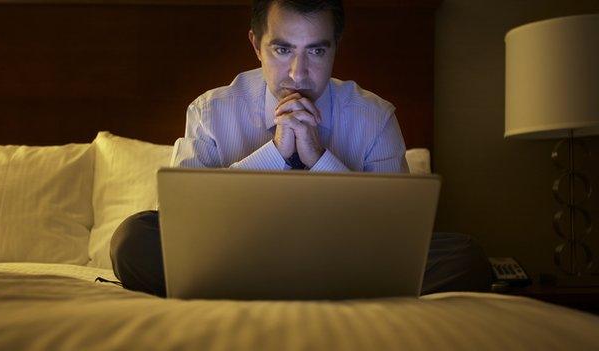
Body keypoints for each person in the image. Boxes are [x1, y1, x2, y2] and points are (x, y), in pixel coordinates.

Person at [110, 0, 492, 297]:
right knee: (133, 239)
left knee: (467, 256)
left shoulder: (375, 118)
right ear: (255, 46)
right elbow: (181, 229)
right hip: (238, 262)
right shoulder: (212, 111)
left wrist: (317, 157)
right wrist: (275, 152)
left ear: (335, 49)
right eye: (281, 50)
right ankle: (319, 293)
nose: (297, 72)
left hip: (341, 263)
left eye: (316, 51)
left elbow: (396, 237)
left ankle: (266, 292)